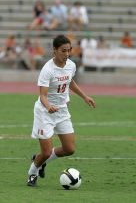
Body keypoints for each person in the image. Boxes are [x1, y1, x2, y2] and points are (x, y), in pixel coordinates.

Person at [27, 35, 96, 187]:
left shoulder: (71, 65)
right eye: (63, 51)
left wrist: (84, 96)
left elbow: (70, 82)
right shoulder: (47, 69)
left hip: (62, 111)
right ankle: (32, 173)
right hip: (45, 112)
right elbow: (43, 95)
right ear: (55, 51)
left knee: (69, 149)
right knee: (45, 152)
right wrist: (48, 106)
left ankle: (41, 161)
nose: (67, 54)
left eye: (69, 50)